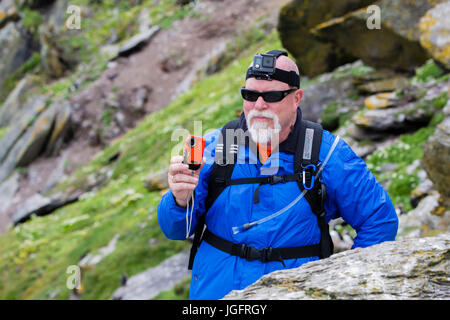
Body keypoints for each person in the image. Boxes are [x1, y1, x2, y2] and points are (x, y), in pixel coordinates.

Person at [157, 50, 398, 300]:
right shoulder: (216, 146)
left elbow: (380, 221)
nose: (259, 105)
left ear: (297, 98)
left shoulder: (326, 153)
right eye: (250, 95)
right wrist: (179, 200)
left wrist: (346, 283)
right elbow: (175, 230)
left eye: (272, 96)